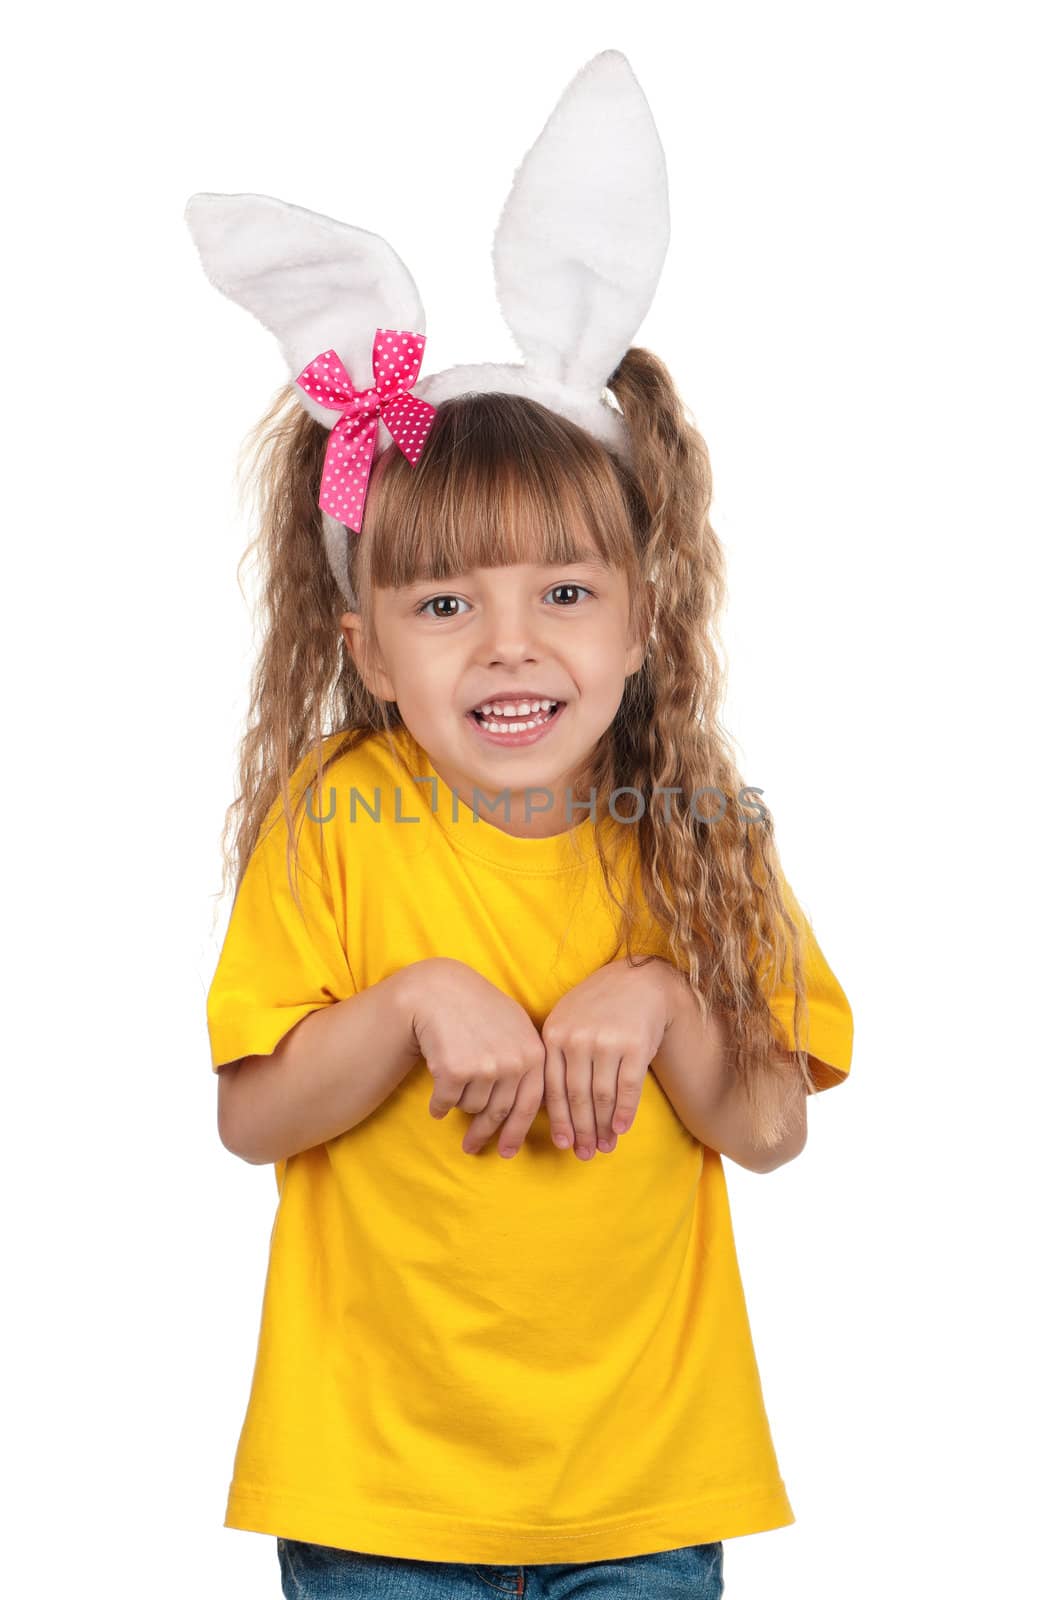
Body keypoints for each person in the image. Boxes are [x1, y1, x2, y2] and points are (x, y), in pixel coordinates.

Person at [191, 48, 853, 1600]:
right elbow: (253, 1120)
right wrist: (411, 1006)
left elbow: (768, 1129)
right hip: (378, 1494)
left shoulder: (696, 829)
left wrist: (667, 1001)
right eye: (444, 601)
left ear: (640, 621)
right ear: (366, 648)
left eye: (564, 592)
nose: (509, 643)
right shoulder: (337, 819)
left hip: (639, 1488)